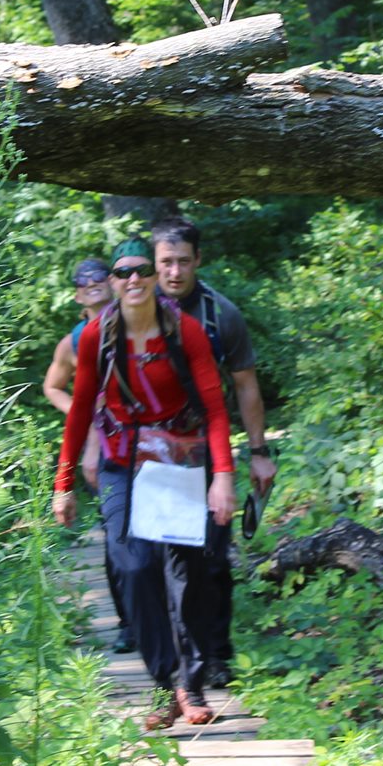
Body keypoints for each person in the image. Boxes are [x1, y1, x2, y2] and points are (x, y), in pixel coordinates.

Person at [53, 240, 236, 729]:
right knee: (131, 567)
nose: (134, 280)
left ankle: (188, 686)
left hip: (177, 459)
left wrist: (223, 477)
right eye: (123, 273)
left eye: (142, 271)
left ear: (155, 279)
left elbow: (216, 409)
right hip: (121, 461)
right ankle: (163, 683)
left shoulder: (186, 331)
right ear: (112, 282)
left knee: (185, 574)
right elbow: (79, 410)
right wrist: (64, 482)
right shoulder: (95, 336)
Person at [149, 216, 272, 688]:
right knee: (161, 559)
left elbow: (245, 387)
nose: (175, 272)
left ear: (198, 260)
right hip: (148, 452)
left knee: (212, 557)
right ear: (154, 263)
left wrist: (258, 451)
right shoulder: (133, 310)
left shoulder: (222, 316)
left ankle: (217, 655)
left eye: (183, 261)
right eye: (166, 262)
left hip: (205, 449)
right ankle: (177, 661)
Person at [42, 257, 133, 653]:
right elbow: (53, 386)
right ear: (77, 292)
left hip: (154, 436)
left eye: (100, 276)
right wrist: (89, 414)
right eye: (84, 280)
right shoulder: (76, 340)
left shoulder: (142, 319)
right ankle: (130, 623)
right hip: (108, 441)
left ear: (113, 283)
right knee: (118, 536)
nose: (92, 282)